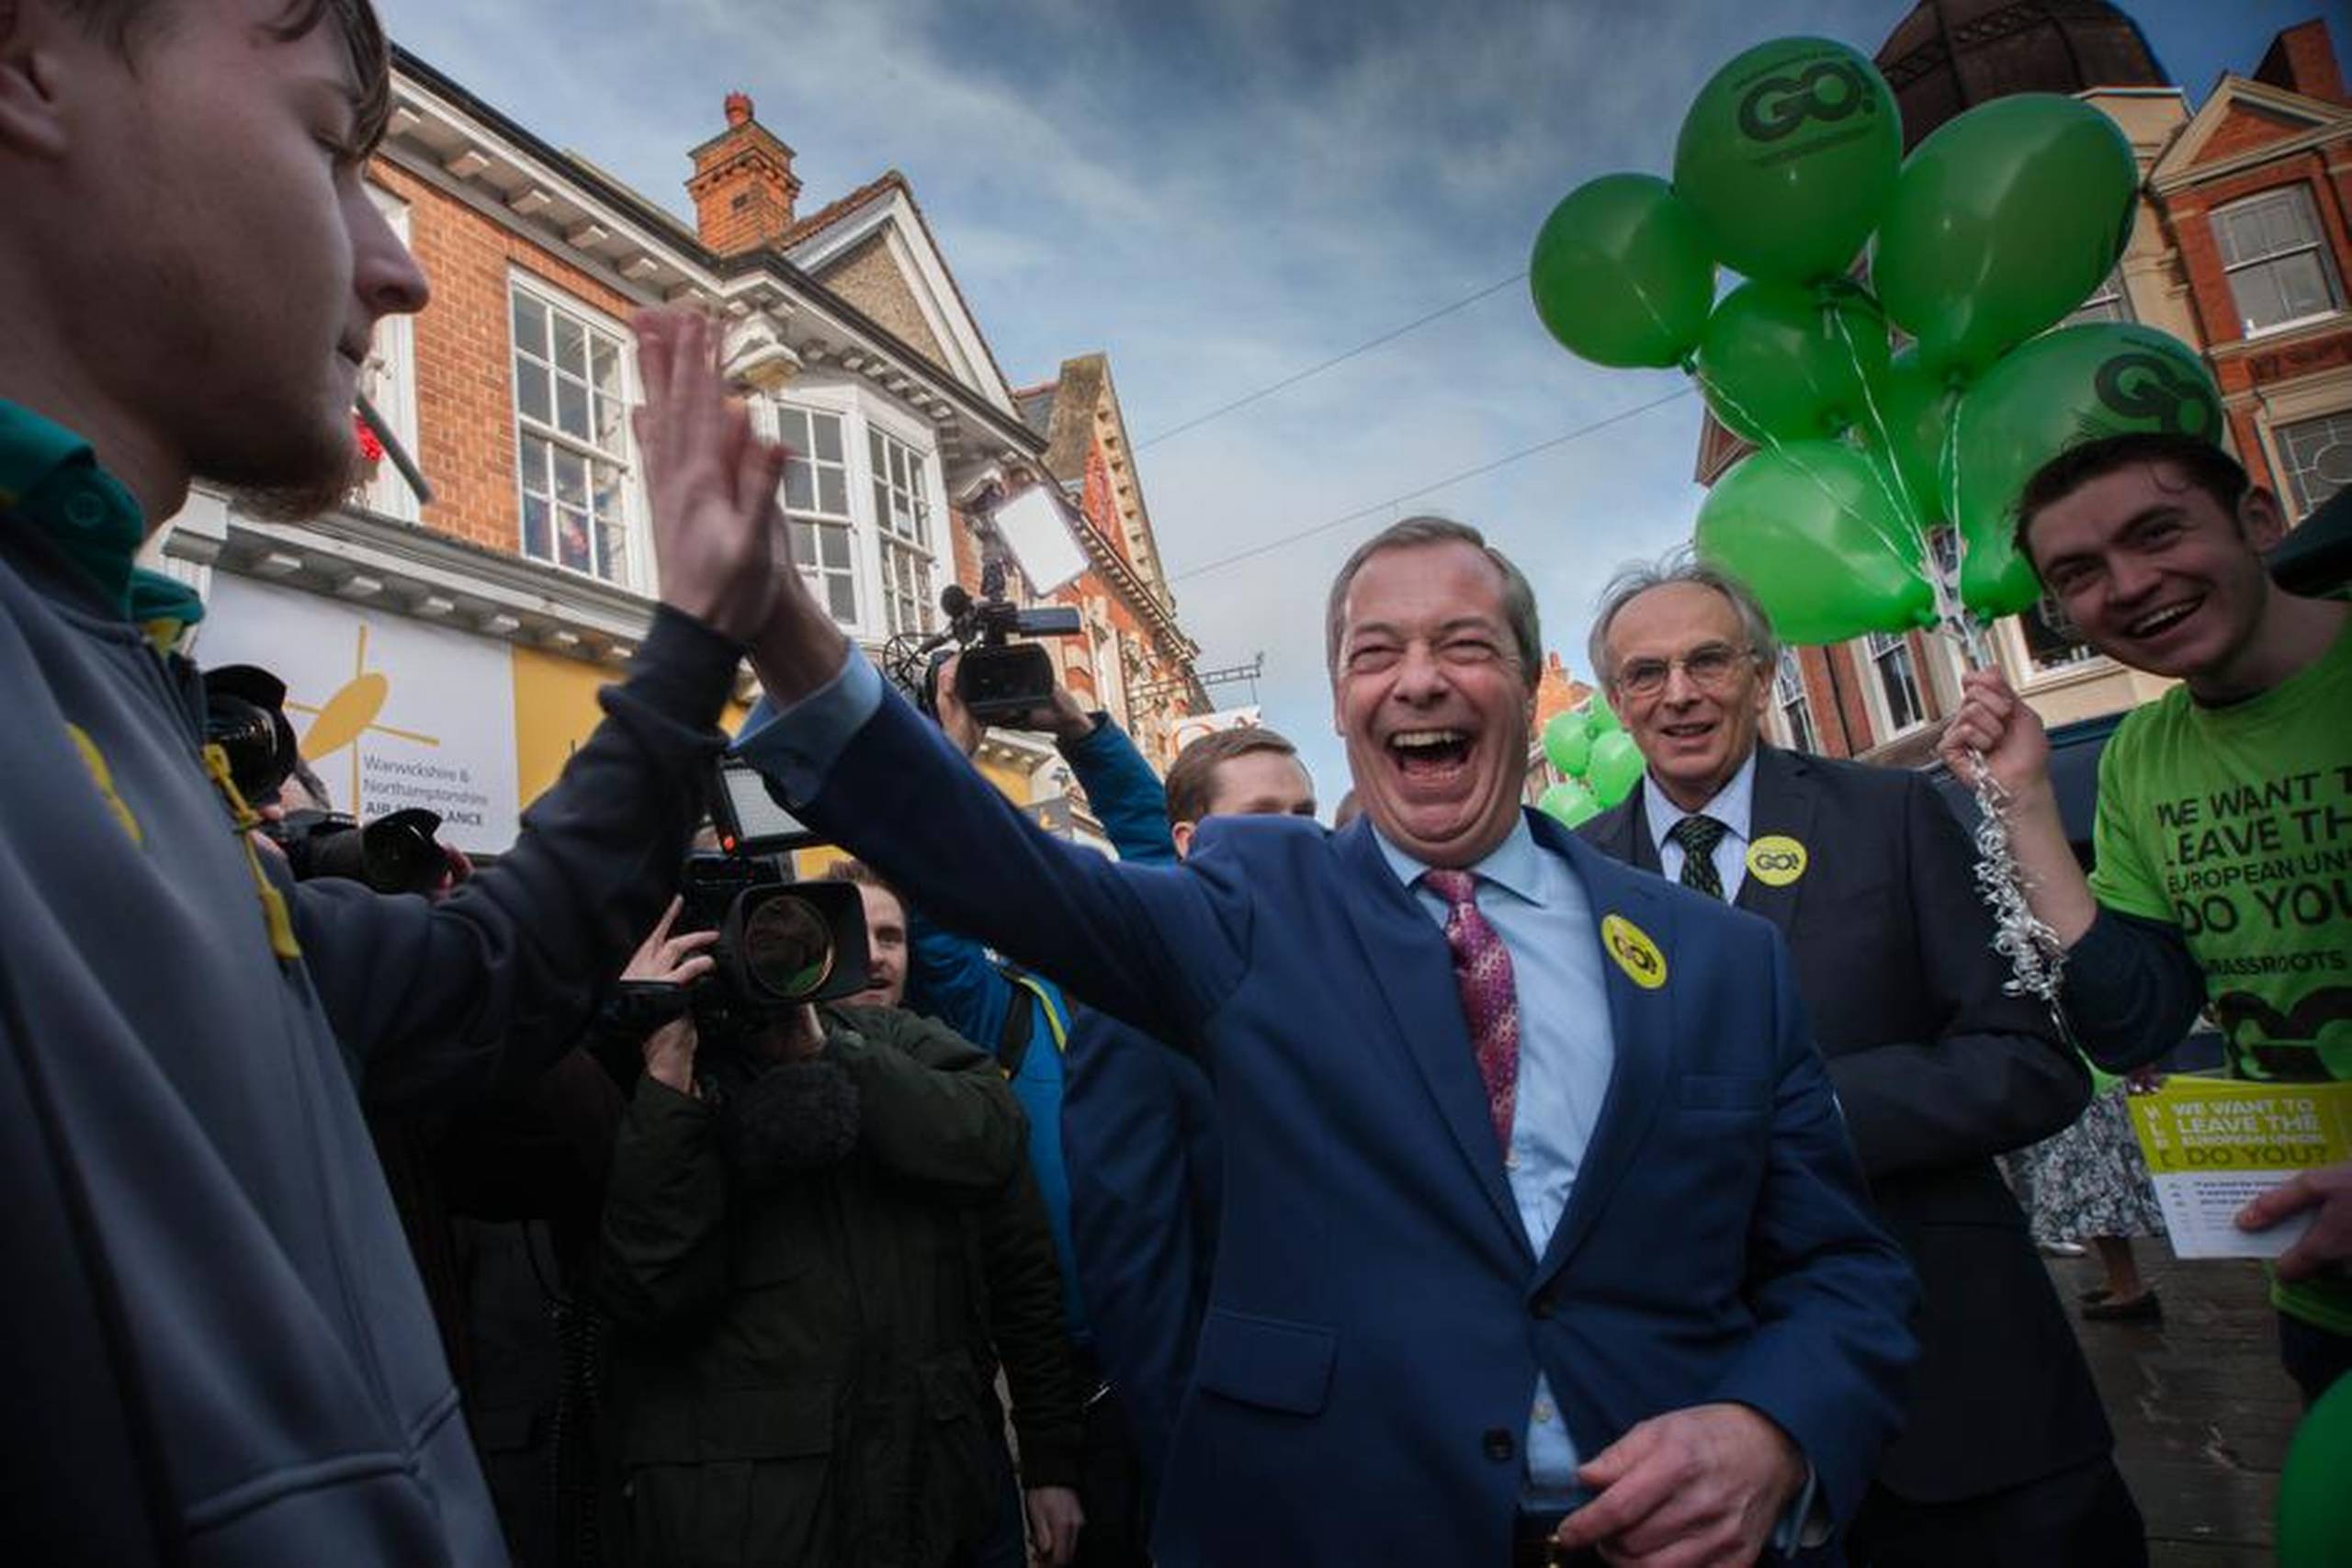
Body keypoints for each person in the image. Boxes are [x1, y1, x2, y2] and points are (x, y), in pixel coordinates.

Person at [718, 447, 1919, 1567]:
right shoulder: (1251, 898)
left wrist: (1778, 1427)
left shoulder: (1715, 955)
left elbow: (1840, 1265)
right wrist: (782, 621)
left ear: (1524, 681)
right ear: (1344, 704)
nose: (1418, 676)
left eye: (1464, 641)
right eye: (1373, 650)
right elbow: (1005, 873)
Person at [0, 0, 778, 1557]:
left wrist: (692, 643)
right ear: (31, 59)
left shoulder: (111, 681)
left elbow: (478, 980)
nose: (403, 262)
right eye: (327, 142)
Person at [1578, 558, 2140, 1567]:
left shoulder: (1889, 818)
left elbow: (2028, 1060)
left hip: (1956, 1386)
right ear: (1617, 701)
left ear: (1760, 675)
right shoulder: (1573, 877)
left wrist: (1810, 1112)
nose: (1680, 693)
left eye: (1709, 661)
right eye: (1646, 672)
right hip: (1708, 1420)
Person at [1941, 431, 2352, 1404]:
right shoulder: (2136, 755)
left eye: (2157, 532)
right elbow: (2135, 1019)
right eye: (2079, 574)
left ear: (2257, 520)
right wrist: (2027, 802)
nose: (2126, 586)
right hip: (2317, 1295)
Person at [596, 891, 1037, 1568]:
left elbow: (990, 1140)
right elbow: (651, 1289)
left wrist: (824, 1050)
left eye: (889, 936)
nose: (871, 957)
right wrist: (665, 1066)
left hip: (933, 1502)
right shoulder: (643, 1064)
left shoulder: (903, 1042)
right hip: (752, 1522)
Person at [1059, 724, 1317, 1505]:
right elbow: (1138, 1287)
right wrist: (1199, 1486)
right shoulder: (1135, 1015)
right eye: (1266, 813)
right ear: (1189, 842)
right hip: (1251, 1464)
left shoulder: (1361, 974)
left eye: (1306, 813)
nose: (1296, 836)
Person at [823, 859, 1090, 1568]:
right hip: (814, 1499)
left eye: (892, 936)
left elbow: (1025, 1288)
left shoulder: (963, 1078)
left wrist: (1050, 1464)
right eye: (853, 935)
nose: (876, 957)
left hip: (960, 1485)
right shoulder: (748, 1073)